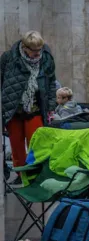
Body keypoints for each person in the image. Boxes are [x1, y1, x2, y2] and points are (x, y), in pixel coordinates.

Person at [1, 31, 57, 168]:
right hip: (13, 109)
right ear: (25, 48)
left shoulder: (46, 59)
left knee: (37, 145)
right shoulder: (9, 58)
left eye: (40, 49)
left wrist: (51, 106)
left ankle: (36, 175)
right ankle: (21, 173)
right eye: (34, 51)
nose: (38, 53)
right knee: (17, 147)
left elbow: (51, 84)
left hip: (36, 108)